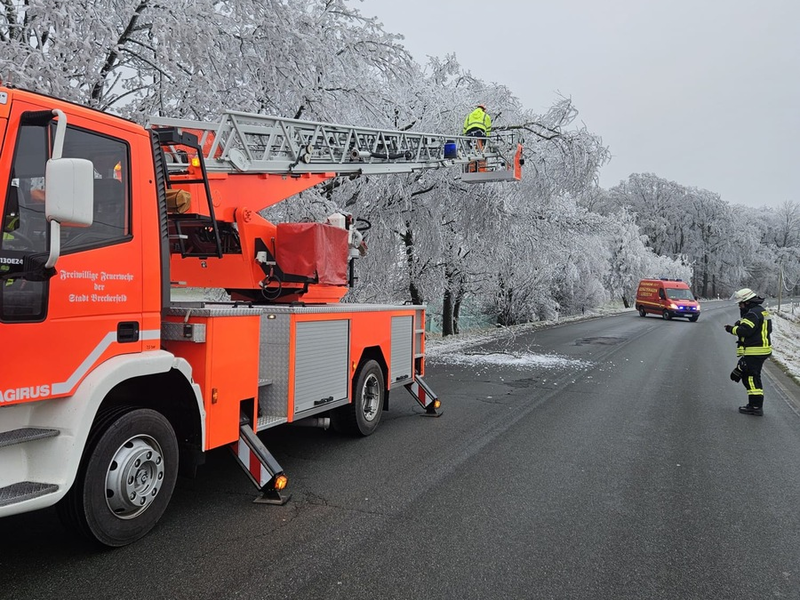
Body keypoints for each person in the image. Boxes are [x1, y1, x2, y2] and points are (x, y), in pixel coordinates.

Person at [724, 288, 772, 416]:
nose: (740, 306)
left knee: (750, 377)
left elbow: (745, 331)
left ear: (747, 302)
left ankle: (755, 406)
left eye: (741, 303)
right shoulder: (761, 311)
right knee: (751, 375)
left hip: (755, 350)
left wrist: (731, 329)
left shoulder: (752, 314)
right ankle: (754, 405)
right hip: (762, 349)